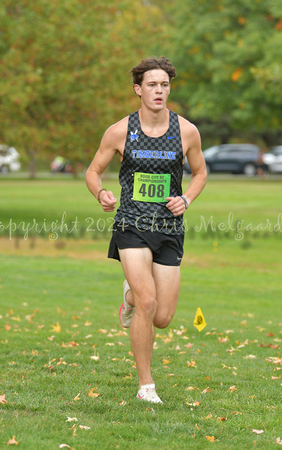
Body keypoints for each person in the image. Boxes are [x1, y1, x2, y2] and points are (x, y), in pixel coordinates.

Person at [86, 57, 207, 404]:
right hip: (131, 224)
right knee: (148, 301)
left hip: (169, 227)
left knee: (163, 317)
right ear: (138, 89)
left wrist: (186, 198)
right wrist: (102, 193)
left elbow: (200, 172)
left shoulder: (186, 131)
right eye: (152, 85)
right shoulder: (120, 130)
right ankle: (146, 386)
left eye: (164, 85)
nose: (159, 90)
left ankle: (128, 296)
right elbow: (93, 171)